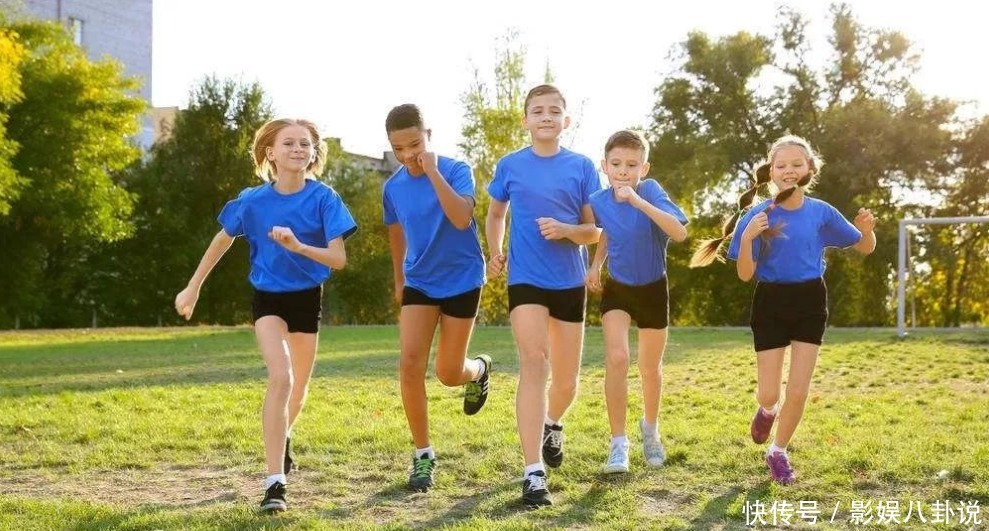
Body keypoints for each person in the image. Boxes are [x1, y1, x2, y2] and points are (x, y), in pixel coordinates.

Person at [174, 118, 357, 513]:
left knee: (298, 389)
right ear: (270, 153)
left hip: (307, 297)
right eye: (288, 143)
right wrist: (193, 286)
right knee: (281, 376)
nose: (298, 149)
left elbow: (339, 259)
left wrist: (298, 246)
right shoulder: (253, 201)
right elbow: (221, 239)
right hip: (268, 299)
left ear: (313, 153)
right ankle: (275, 482)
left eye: (305, 144)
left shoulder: (325, 198)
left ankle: (282, 436)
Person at [689, 134, 876, 485]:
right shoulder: (758, 216)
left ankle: (778, 451)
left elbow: (864, 247)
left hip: (810, 301)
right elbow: (745, 275)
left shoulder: (822, 212)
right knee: (771, 392)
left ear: (809, 169)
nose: (789, 170)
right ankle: (767, 409)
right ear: (770, 172)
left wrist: (866, 231)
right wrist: (746, 239)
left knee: (800, 389)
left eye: (796, 164)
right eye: (781, 165)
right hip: (770, 302)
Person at [486, 84, 604, 507]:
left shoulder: (582, 167)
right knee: (534, 363)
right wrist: (496, 252)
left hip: (569, 281)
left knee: (568, 380)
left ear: (566, 120)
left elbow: (595, 230)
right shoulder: (511, 165)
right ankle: (533, 472)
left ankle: (554, 422)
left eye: (554, 110)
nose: (546, 117)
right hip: (526, 279)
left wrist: (567, 230)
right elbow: (496, 212)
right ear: (526, 120)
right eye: (538, 111)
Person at [382, 103, 491, 492]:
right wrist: (399, 277)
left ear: (429, 135)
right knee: (410, 364)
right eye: (399, 149)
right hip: (420, 281)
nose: (408, 155)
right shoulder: (392, 186)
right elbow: (396, 231)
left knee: (447, 373)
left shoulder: (457, 170)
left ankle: (477, 370)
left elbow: (461, 218)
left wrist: (431, 172)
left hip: (462, 278)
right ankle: (423, 454)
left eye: (414, 144)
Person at [584, 130, 688, 474]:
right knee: (617, 358)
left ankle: (650, 430)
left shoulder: (652, 191)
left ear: (644, 167)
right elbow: (608, 232)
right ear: (605, 166)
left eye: (631, 165)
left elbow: (680, 233)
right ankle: (618, 444)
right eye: (616, 164)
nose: (623, 171)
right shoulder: (599, 200)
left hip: (654, 288)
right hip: (619, 288)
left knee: (649, 368)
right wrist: (596, 264)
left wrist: (638, 202)